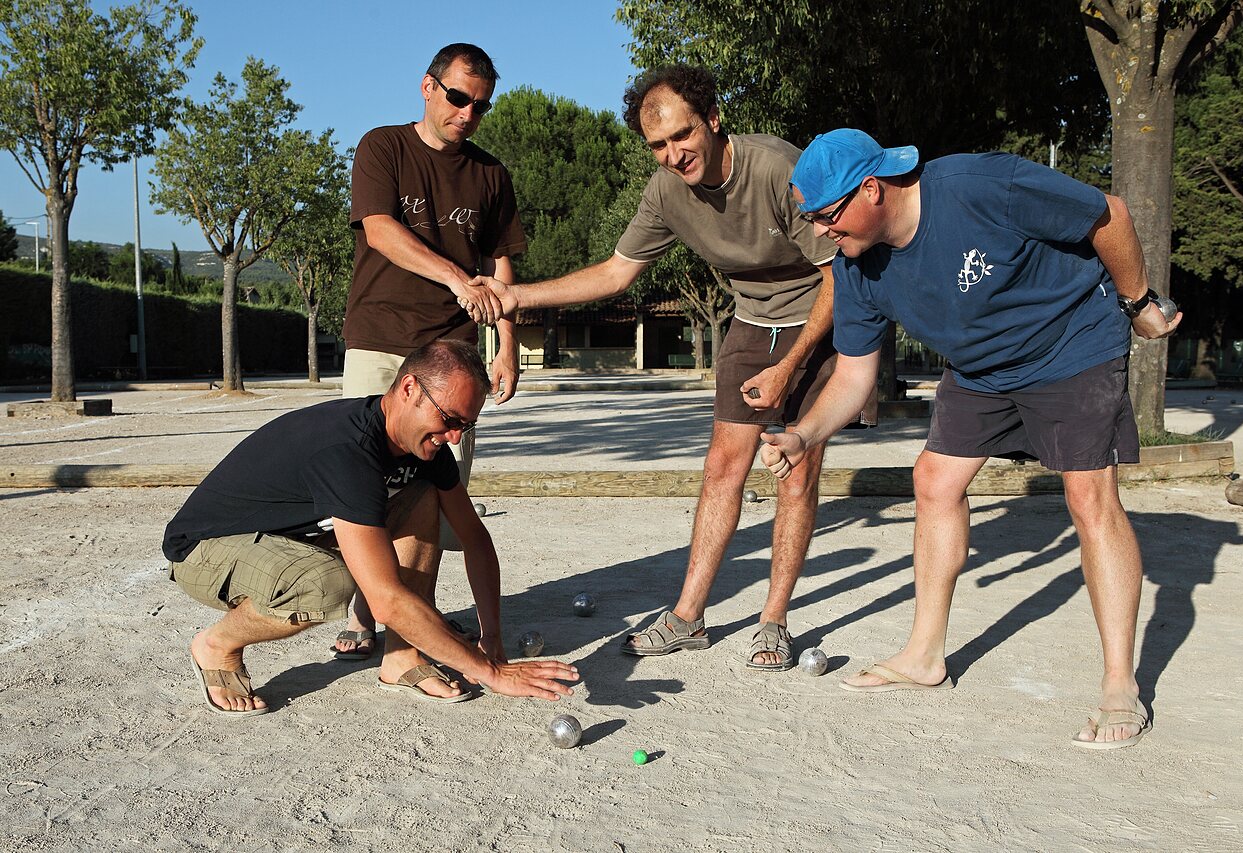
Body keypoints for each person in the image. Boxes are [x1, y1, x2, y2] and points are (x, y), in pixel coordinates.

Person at [760, 128, 1181, 749]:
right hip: (980, 368)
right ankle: (926, 656)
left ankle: (1121, 682)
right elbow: (853, 376)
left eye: (826, 216)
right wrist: (804, 435)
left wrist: (1138, 299)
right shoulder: (857, 266)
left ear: (870, 190)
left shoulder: (981, 186)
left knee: (1089, 497)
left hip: (1071, 345)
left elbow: (1107, 213)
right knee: (933, 479)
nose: (821, 232)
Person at [463, 65, 865, 671]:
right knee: (722, 468)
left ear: (713, 120)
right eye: (658, 145)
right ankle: (687, 616)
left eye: (683, 136)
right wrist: (520, 297)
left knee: (795, 468)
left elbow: (838, 277)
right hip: (753, 322)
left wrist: (788, 369)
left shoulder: (778, 168)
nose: (674, 155)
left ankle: (774, 621)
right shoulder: (665, 193)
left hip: (821, 319)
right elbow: (615, 273)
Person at [164, 340, 578, 716]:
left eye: (465, 426)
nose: (453, 438)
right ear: (409, 389)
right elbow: (383, 600)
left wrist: (494, 641)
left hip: (289, 539)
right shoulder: (347, 450)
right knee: (325, 584)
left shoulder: (421, 449)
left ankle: (402, 657)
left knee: (422, 495)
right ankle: (217, 645)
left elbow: (476, 540)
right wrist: (490, 673)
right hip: (206, 550)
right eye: (449, 419)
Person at [335, 42, 525, 659]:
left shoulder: (492, 175)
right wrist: (453, 277)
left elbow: (500, 267)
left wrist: (507, 346)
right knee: (363, 483)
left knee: (435, 491)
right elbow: (379, 229)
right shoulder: (382, 146)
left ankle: (409, 624)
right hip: (379, 340)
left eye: (481, 106)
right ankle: (364, 611)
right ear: (428, 86)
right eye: (458, 97)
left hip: (453, 353)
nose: (468, 113)